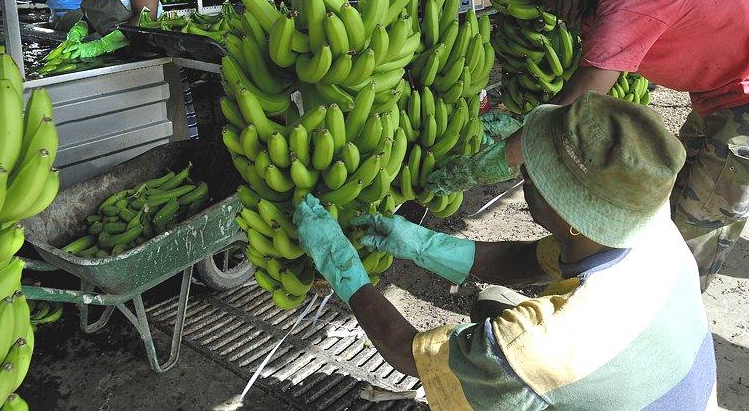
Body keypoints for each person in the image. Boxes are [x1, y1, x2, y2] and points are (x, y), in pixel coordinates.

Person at [430, 0, 749, 291]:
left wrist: (492, 162)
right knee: (669, 197)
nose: (547, 9)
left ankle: (663, 312)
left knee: (703, 216)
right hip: (724, 85)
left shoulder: (627, 8)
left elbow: (574, 104)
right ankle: (631, 285)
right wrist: (522, 123)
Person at [294, 93, 717, 410]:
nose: (523, 172)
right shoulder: (652, 237)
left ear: (568, 211)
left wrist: (343, 269)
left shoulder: (542, 345)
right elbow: (526, 261)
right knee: (493, 309)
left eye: (533, 172)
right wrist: (422, 244)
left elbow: (409, 352)